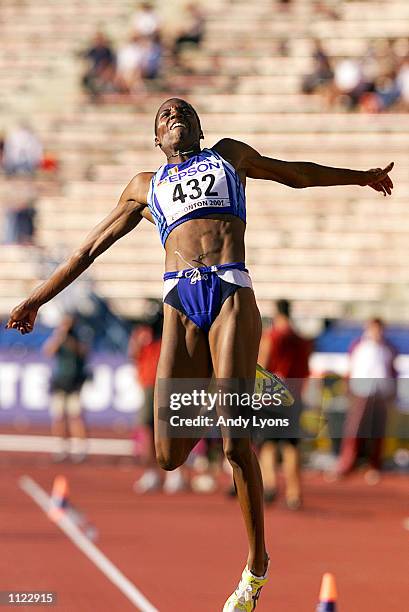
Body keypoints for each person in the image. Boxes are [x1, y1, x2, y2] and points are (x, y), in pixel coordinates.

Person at [6, 97, 394, 610]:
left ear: (200, 127)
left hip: (230, 289)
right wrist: (36, 299)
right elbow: (86, 250)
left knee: (235, 444)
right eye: (166, 116)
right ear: (156, 138)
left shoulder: (230, 156)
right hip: (179, 302)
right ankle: (240, 374)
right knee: (168, 457)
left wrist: (360, 176)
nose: (176, 117)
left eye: (185, 112)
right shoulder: (144, 188)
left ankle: (256, 568)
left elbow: (296, 173)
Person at [258, 299, 310, 510]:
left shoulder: (272, 337)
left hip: (272, 396)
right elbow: (306, 369)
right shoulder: (301, 340)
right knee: (291, 446)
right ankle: (294, 493)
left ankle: (270, 485)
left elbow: (261, 365)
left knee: (267, 445)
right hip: (294, 395)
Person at [335, 318, 397, 484]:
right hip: (361, 392)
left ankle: (374, 465)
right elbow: (350, 368)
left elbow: (392, 370)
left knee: (377, 431)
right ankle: (347, 463)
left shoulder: (388, 348)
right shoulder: (359, 346)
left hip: (381, 393)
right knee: (354, 429)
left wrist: (393, 391)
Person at [44, 314, 89, 463]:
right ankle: (60, 446)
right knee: (58, 416)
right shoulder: (59, 336)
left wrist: (69, 338)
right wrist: (60, 334)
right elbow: (48, 351)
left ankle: (80, 447)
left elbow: (82, 352)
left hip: (74, 382)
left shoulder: (79, 336)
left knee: (75, 416)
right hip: (60, 382)